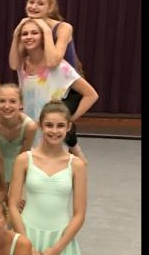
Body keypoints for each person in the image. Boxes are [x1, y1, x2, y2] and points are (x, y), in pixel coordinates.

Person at [8, 101, 87, 255]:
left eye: (60, 126)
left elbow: (79, 214)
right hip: (28, 235)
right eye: (49, 125)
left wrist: (56, 249)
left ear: (68, 127)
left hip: (57, 238)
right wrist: (26, 245)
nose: (54, 131)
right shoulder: (24, 159)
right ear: (40, 126)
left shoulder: (76, 165)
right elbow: (13, 205)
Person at [9, 0, 87, 162]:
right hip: (47, 83)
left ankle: (76, 152)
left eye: (40, 3)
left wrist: (45, 29)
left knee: (57, 120)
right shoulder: (31, 28)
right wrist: (17, 33)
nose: (34, 6)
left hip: (70, 86)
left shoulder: (63, 27)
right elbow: (15, 63)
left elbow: (52, 61)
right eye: (31, 2)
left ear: (50, 7)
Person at [10, 18, 99, 155]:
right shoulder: (22, 64)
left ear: (43, 37)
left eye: (34, 33)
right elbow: (13, 64)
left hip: (52, 135)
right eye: (25, 34)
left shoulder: (59, 67)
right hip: (30, 132)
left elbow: (91, 95)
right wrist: (16, 34)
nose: (29, 37)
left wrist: (68, 119)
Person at [0, 83, 37, 202]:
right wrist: (3, 188)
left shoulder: (30, 127)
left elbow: (22, 160)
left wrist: (14, 189)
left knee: (19, 203)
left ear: (21, 104)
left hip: (21, 165)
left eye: (13, 101)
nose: (7, 106)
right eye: (2, 101)